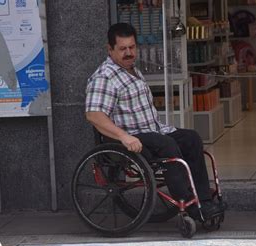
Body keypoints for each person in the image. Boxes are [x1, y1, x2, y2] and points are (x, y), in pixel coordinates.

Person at [85, 22, 223, 221]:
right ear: (110, 49)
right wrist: (124, 137)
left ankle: (203, 200)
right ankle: (187, 202)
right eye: (122, 49)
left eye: (132, 47)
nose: (128, 53)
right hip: (129, 138)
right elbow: (93, 115)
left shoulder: (132, 71)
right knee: (165, 144)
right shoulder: (104, 77)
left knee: (191, 138)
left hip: (153, 131)